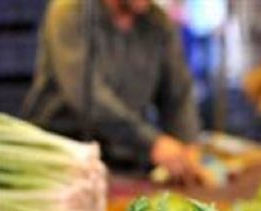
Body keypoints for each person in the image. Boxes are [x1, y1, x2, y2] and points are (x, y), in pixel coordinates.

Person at [23, 0, 203, 182]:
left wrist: (187, 146)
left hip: (124, 161)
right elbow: (88, 95)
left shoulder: (157, 22)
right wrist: (152, 144)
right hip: (62, 158)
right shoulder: (70, 11)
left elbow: (178, 94)